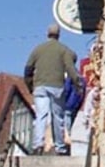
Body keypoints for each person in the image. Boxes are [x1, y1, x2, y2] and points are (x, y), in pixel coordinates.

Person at [24, 23, 82, 155]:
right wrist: (78, 85)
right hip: (57, 87)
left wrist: (30, 85)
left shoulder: (38, 49)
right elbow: (71, 69)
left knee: (41, 116)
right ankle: (60, 147)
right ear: (59, 34)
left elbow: (28, 68)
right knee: (58, 117)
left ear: (47, 33)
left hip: (39, 86)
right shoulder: (63, 50)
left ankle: (37, 144)